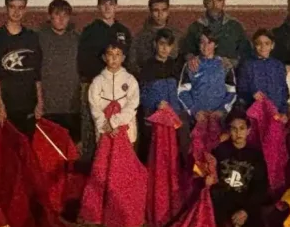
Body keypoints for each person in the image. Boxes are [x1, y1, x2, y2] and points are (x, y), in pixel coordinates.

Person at [78, 0, 132, 159]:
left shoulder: (123, 31)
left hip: (119, 87)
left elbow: (129, 59)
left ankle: (119, 164)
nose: (107, 8)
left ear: (117, 7)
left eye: (111, 4)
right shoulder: (90, 31)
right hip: (95, 85)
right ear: (98, 7)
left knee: (118, 125)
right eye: (104, 4)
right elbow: (83, 59)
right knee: (94, 126)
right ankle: (92, 164)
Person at [0, 0, 44, 138]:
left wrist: (39, 102)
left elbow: (37, 74)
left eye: (20, 7)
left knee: (28, 147)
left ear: (25, 10)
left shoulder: (32, 38)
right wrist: (0, 106)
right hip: (7, 107)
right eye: (12, 7)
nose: (16, 12)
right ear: (6, 8)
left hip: (28, 105)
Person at [211, 114, 269, 227]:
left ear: (248, 130)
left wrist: (245, 211)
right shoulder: (220, 149)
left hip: (244, 196)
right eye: (234, 129)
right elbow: (212, 173)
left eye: (242, 128)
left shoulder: (256, 154)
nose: (238, 133)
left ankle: (239, 219)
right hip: (224, 195)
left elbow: (260, 186)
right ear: (228, 131)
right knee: (213, 193)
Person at [138, 29, 186, 159]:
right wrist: (156, 104)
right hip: (153, 115)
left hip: (173, 115)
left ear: (172, 47)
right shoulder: (147, 67)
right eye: (162, 44)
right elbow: (142, 94)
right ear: (155, 44)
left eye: (168, 45)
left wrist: (174, 109)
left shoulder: (175, 66)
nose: (165, 48)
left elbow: (180, 91)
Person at [38, 0, 81, 140]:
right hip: (48, 105)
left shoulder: (76, 39)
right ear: (50, 16)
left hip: (72, 105)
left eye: (65, 15)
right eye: (57, 14)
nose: (61, 19)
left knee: (71, 146)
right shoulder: (40, 38)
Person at [180, 0, 249, 67]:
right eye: (210, 1)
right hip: (203, 71)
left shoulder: (235, 26)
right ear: (204, 3)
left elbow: (246, 53)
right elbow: (187, 51)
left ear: (223, 3)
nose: (215, 5)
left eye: (218, 0)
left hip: (231, 71)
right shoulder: (196, 27)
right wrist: (191, 59)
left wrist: (231, 63)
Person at [178, 29, 238, 122]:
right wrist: (194, 110)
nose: (206, 46)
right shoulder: (191, 65)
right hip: (197, 117)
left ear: (216, 45)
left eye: (210, 43)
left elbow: (232, 91)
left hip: (219, 117)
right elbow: (182, 91)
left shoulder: (224, 65)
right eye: (202, 42)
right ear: (198, 44)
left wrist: (222, 109)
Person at [89, 41, 140, 144]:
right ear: (104, 57)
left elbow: (133, 104)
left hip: (125, 128)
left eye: (117, 54)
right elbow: (94, 106)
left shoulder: (130, 80)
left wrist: (115, 122)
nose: (114, 58)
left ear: (123, 58)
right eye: (110, 54)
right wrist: (105, 124)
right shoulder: (97, 81)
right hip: (105, 129)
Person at [237, 29, 289, 113]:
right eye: (259, 43)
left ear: (272, 45)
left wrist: (283, 111)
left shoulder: (278, 65)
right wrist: (252, 94)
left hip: (276, 110)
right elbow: (241, 89)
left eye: (267, 43)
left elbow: (283, 89)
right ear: (254, 45)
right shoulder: (247, 65)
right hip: (255, 110)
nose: (263, 47)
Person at [127, 0, 181, 74]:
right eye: (156, 10)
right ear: (150, 12)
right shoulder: (140, 38)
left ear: (168, 12)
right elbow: (132, 64)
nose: (160, 14)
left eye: (164, 10)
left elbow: (183, 61)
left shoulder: (177, 35)